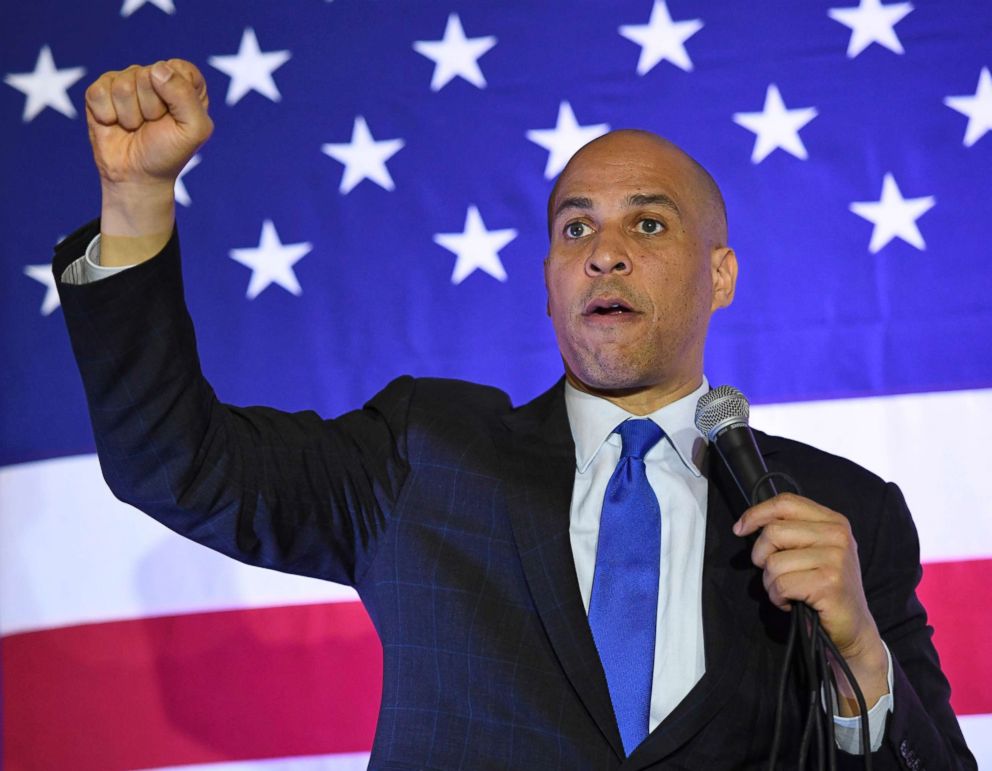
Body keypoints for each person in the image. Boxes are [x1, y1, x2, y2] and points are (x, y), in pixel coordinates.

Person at [54, 59, 975, 770]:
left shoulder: (844, 514)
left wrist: (858, 650)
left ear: (721, 275)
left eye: (648, 225)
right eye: (576, 229)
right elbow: (174, 463)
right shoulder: (425, 453)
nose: (605, 253)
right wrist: (136, 202)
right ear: (547, 284)